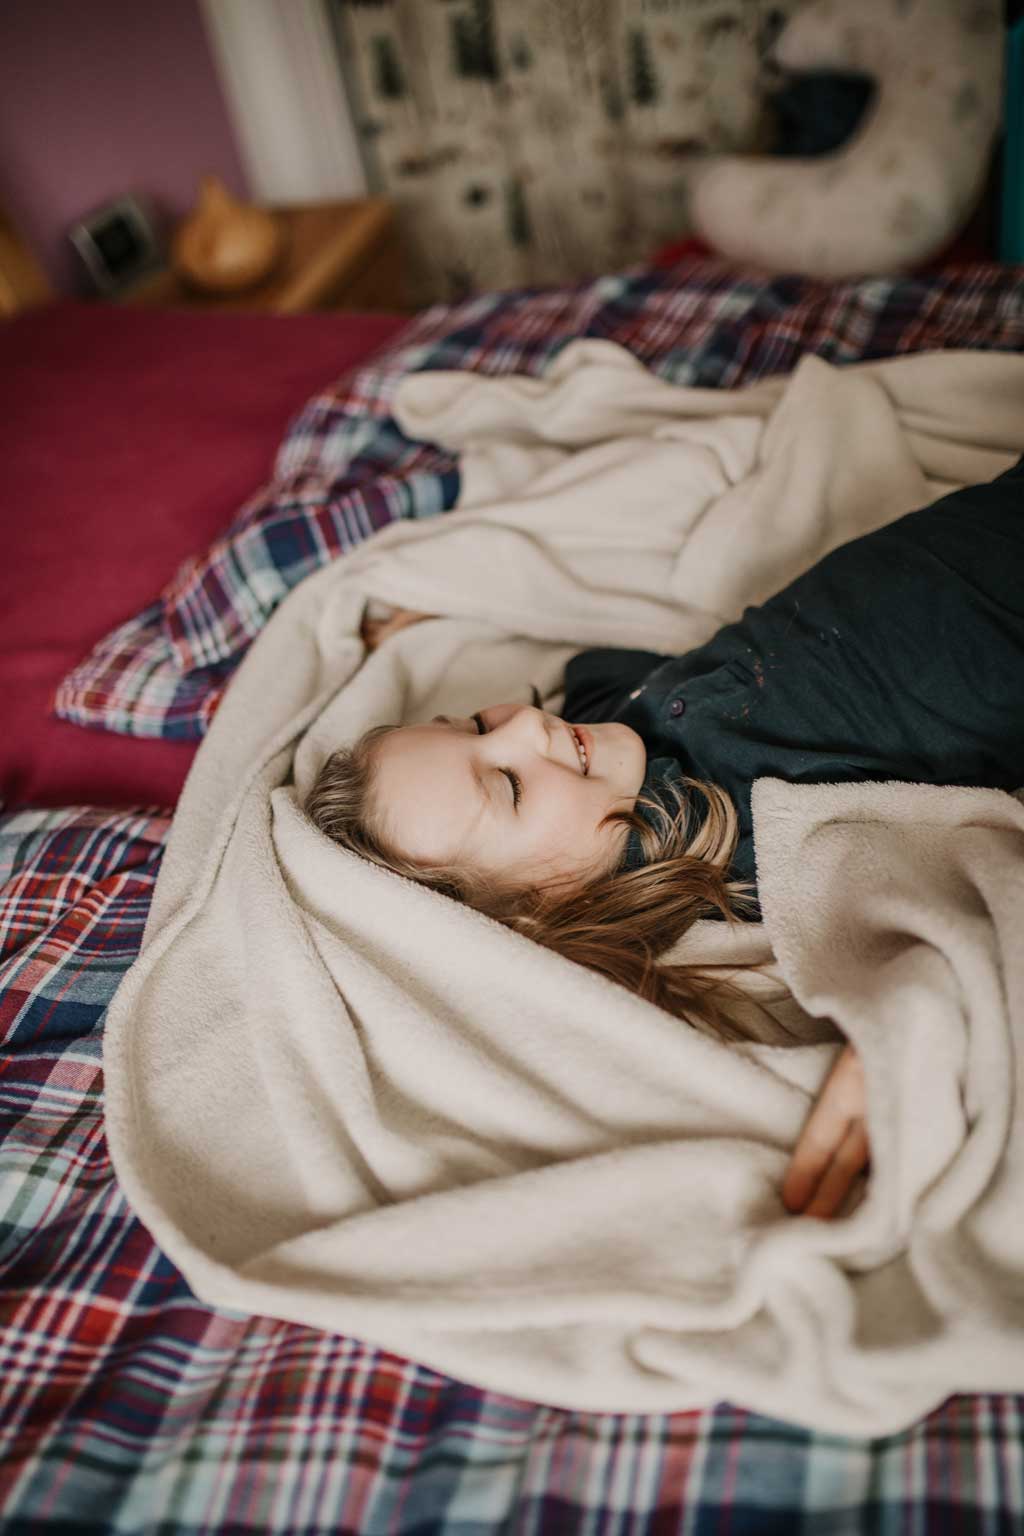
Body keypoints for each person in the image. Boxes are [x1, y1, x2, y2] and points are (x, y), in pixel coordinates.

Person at [307, 458, 1024, 1224]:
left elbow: (584, 657)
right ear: (535, 912)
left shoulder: (612, 726)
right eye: (507, 785)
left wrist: (448, 624)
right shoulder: (736, 847)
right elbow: (938, 905)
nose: (524, 726)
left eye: (478, 724)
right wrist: (918, 1020)